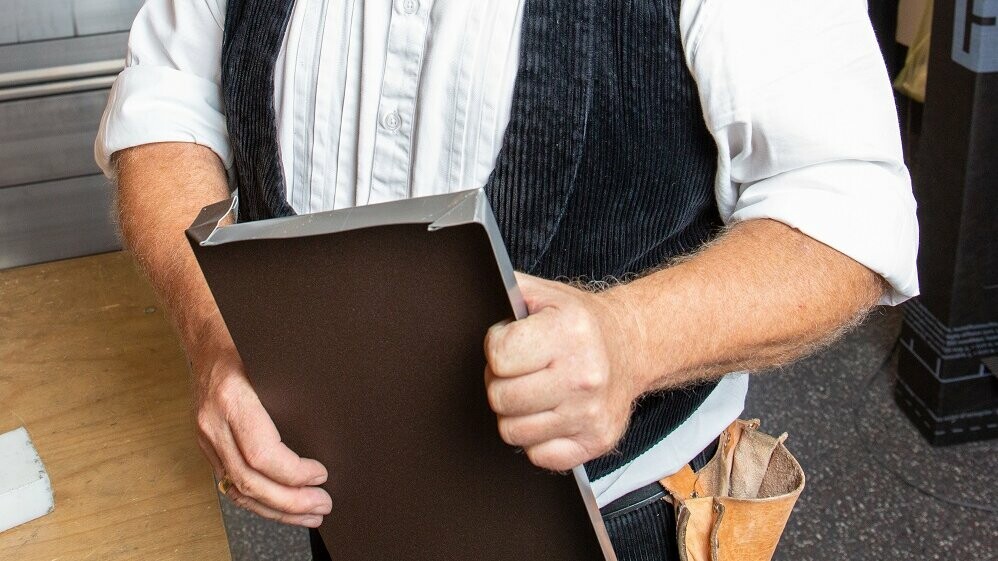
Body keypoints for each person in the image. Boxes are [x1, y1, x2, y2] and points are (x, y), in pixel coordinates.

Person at [95, 1, 919, 559]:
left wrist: (634, 339)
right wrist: (215, 335)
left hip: (622, 524)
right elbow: (166, 109)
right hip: (342, 514)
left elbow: (847, 203)